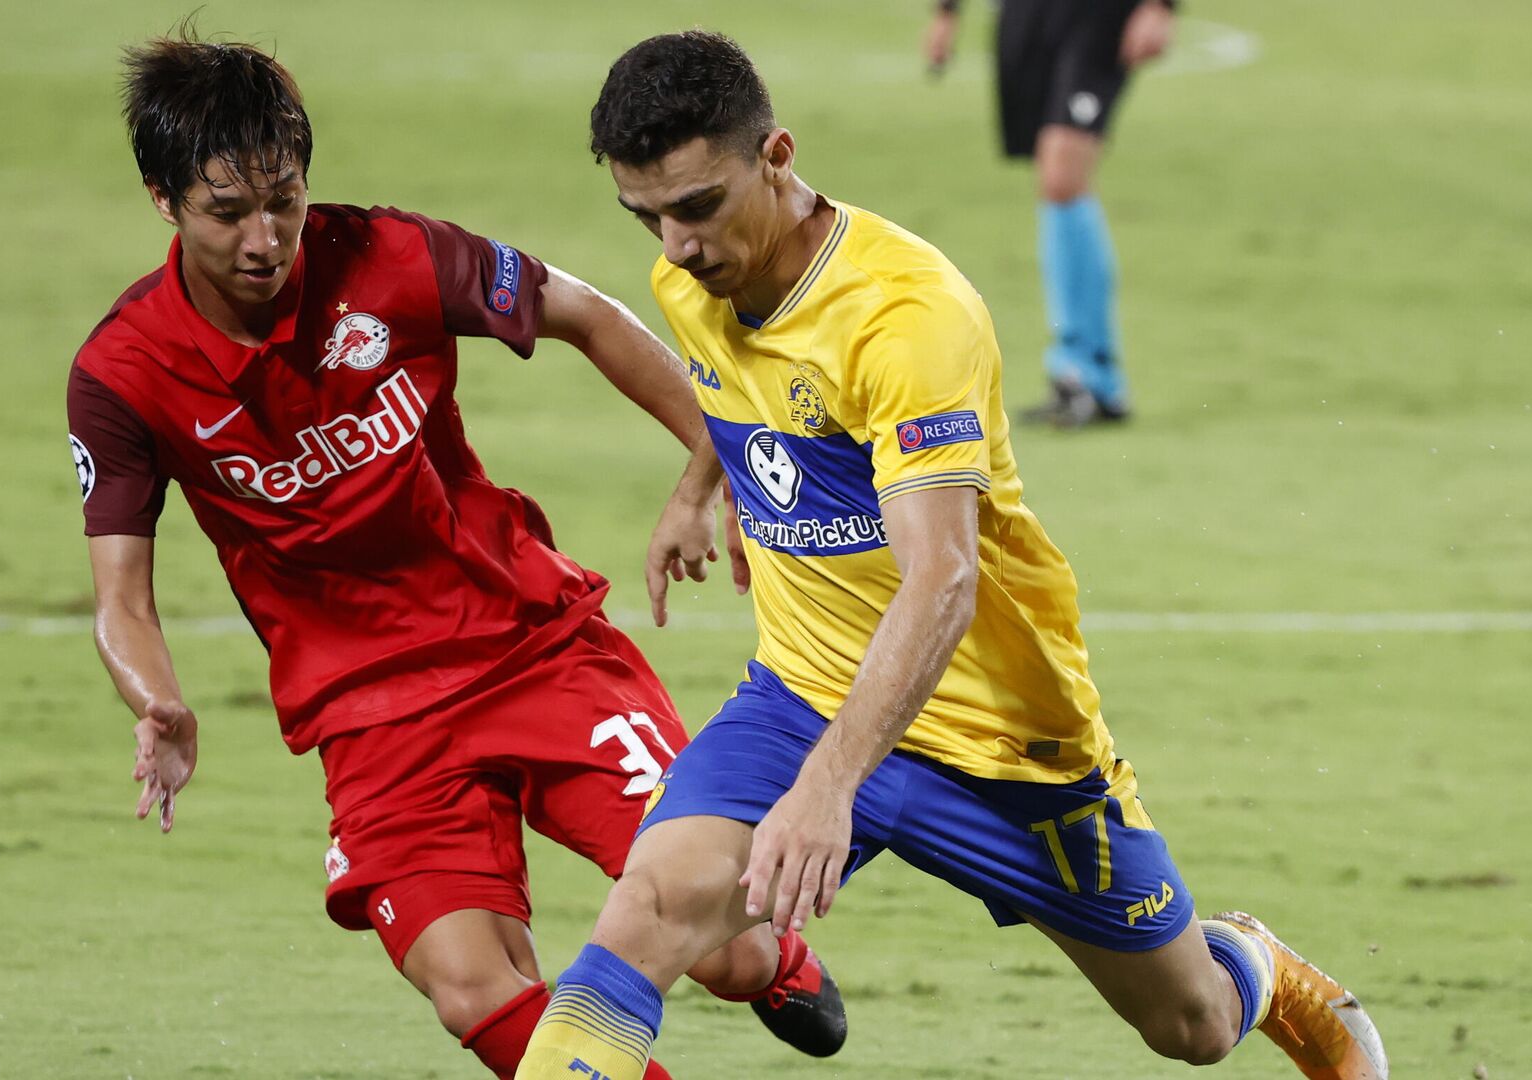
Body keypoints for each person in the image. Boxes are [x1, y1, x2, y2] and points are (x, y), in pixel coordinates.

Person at [516, 31, 1386, 1080]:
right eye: (644, 216)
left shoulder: (905, 316)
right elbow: (730, 390)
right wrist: (701, 488)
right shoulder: (693, 279)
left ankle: (1259, 962)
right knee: (642, 918)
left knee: (1189, 1026)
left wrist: (831, 783)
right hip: (802, 697)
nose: (674, 247)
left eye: (697, 206)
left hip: (1000, 741)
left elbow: (944, 579)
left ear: (777, 155)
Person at [65, 33, 845, 1080]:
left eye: (284, 199)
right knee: (474, 988)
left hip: (531, 645)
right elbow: (123, 597)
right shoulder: (124, 374)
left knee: (728, 947)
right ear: (163, 200)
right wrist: (154, 698)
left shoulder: (393, 258)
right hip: (369, 715)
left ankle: (773, 958)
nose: (266, 238)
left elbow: (588, 315)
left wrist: (726, 471)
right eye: (227, 211)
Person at [924, 0, 1178, 426]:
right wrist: (947, 12)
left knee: (1063, 175)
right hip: (1027, 15)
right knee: (1050, 177)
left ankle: (1093, 375)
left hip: (1098, 17)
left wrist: (1161, 5)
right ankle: (1075, 373)